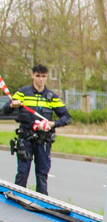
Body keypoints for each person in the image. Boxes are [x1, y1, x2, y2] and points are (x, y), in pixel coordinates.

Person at [3, 64, 71, 195]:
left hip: (43, 141)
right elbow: (4, 111)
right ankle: (17, 199)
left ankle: (41, 202)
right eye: (38, 76)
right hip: (25, 139)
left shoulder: (52, 97)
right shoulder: (23, 93)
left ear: (47, 77)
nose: (40, 79)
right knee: (22, 173)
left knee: (42, 175)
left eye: (43, 76)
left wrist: (53, 124)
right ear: (32, 76)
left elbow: (67, 117)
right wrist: (12, 105)